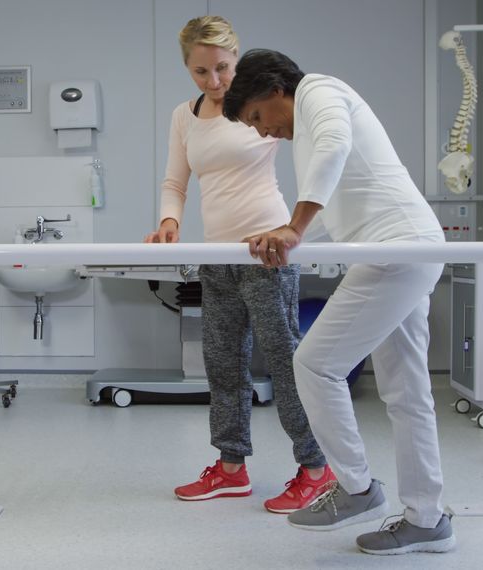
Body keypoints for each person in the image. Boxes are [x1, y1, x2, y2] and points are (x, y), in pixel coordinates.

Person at [222, 49, 455, 554]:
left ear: (273, 89)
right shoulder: (307, 121)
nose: (263, 133)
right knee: (408, 394)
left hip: (395, 253)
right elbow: (335, 206)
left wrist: (293, 227)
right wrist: (287, 237)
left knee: (314, 364)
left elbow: (333, 146)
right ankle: (427, 519)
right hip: (407, 248)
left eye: (258, 118)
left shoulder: (319, 92)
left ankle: (354, 487)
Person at [146, 17, 335, 514]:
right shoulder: (184, 116)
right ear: (188, 68)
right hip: (217, 258)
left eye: (223, 68)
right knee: (223, 366)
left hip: (266, 252)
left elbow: (316, 153)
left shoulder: (259, 105)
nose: (214, 82)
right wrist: (169, 221)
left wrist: (296, 226)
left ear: (237, 59)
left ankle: (316, 469)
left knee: (284, 361)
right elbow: (175, 181)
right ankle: (231, 468)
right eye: (201, 71)